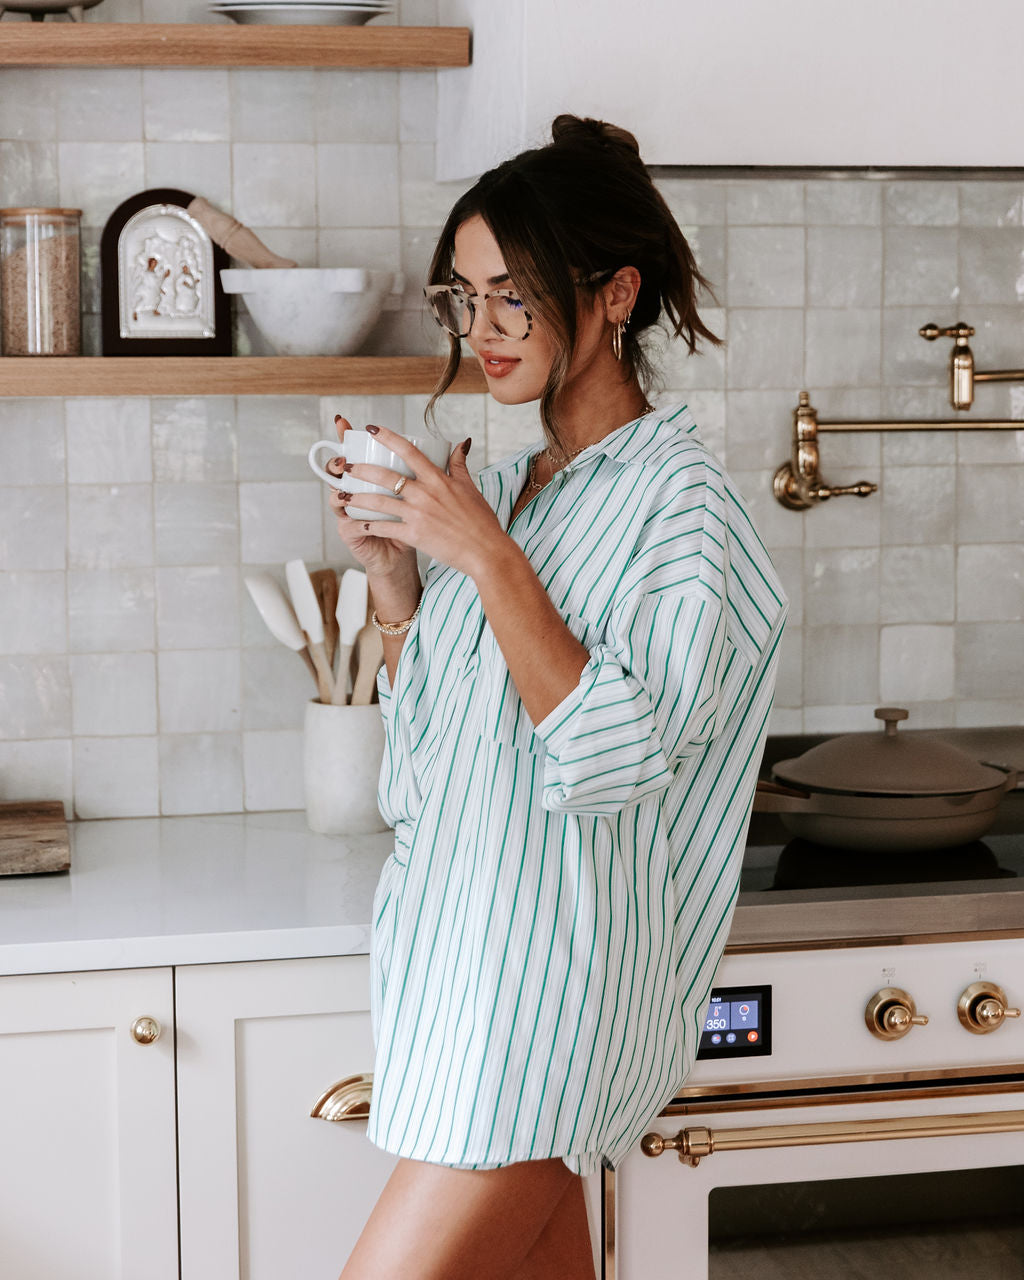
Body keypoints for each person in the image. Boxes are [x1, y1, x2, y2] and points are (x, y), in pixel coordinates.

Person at [325, 114, 787, 1280]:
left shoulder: (686, 510)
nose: (480, 331)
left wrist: (484, 557)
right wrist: (397, 586)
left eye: (513, 297)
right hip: (462, 987)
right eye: (463, 298)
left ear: (614, 293)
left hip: (548, 1014)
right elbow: (425, 773)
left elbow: (611, 760)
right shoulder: (529, 492)